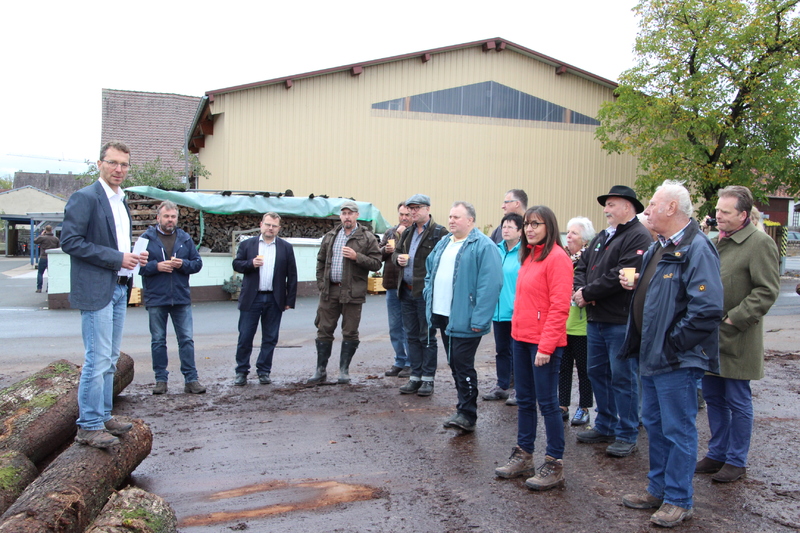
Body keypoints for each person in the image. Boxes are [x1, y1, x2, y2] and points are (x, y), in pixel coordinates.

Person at [619, 179, 723, 528]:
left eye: (652, 204)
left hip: (676, 360)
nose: (647, 209)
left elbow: (706, 309)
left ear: (672, 208)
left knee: (678, 430)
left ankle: (678, 499)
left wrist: (673, 343)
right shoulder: (659, 247)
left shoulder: (697, 248)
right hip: (652, 356)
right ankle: (658, 489)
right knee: (656, 426)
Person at [60, 141, 148, 449]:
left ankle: (102, 415)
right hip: (97, 288)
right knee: (96, 359)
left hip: (120, 286)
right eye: (113, 163)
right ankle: (88, 425)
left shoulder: (121, 201)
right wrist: (116, 258)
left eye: (124, 164)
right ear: (99, 164)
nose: (119, 169)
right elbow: (70, 241)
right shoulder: (85, 198)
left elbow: (117, 247)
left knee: (110, 359)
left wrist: (132, 258)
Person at [695, 186, 780, 483]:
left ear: (743, 215)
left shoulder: (759, 244)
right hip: (710, 337)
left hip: (737, 338)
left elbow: (767, 290)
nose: (718, 216)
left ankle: (736, 460)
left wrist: (734, 319)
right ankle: (717, 453)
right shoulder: (714, 241)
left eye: (725, 212)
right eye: (717, 210)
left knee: (737, 399)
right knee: (715, 398)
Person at [494, 206, 572, 490]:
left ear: (549, 226)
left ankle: (554, 462)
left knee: (548, 404)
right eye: (527, 224)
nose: (529, 229)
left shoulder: (558, 259)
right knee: (525, 401)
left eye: (535, 224)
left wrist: (546, 346)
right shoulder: (529, 257)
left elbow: (559, 307)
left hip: (543, 344)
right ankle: (524, 454)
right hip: (521, 339)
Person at [573, 185, 653, 458]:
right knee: (598, 373)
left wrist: (588, 293)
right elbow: (582, 265)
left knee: (623, 378)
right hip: (596, 319)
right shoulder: (601, 237)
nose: (606, 210)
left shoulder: (638, 236)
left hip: (620, 320)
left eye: (612, 204)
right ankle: (605, 424)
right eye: (606, 205)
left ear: (628, 207)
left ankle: (627, 433)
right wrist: (582, 290)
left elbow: (624, 274)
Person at [425, 201, 502, 432]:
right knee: (454, 362)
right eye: (450, 216)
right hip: (444, 315)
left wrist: (479, 319)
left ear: (470, 220)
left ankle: (468, 414)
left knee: (462, 363)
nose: (451, 221)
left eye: (457, 217)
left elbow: (491, 285)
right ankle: (462, 409)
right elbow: (430, 272)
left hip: (466, 318)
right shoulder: (443, 243)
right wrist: (428, 294)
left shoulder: (483, 246)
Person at [308, 202, 381, 384]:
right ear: (340, 216)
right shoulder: (331, 236)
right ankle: (320, 370)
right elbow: (321, 261)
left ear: (357, 215)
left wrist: (357, 257)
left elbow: (376, 263)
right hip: (330, 290)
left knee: (350, 332)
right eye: (344, 213)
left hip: (353, 292)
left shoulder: (366, 237)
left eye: (350, 213)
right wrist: (321, 284)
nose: (347, 216)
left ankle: (344, 370)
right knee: (324, 330)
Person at [139, 201, 206, 395]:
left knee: (186, 339)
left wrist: (183, 264)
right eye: (166, 216)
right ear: (158, 218)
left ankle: (191, 380)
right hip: (156, 297)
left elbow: (197, 263)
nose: (170, 220)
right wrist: (156, 266)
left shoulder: (184, 238)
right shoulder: (146, 238)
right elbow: (137, 266)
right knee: (158, 340)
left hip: (180, 297)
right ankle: (161, 380)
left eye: (173, 216)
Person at [233, 212, 298, 386]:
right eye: (268, 224)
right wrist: (250, 264)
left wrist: (289, 300)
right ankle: (241, 371)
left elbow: (292, 275)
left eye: (274, 226)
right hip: (251, 298)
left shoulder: (285, 247)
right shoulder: (248, 245)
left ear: (279, 228)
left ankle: (264, 371)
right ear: (261, 224)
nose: (270, 228)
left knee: (270, 337)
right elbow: (236, 264)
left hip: (274, 299)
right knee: (245, 336)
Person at [393, 194, 447, 396]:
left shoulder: (439, 233)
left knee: (427, 337)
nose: (413, 212)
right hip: (406, 292)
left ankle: (428, 379)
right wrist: (398, 258)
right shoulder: (407, 233)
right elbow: (395, 254)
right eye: (411, 208)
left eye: (417, 208)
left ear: (427, 209)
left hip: (425, 295)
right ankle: (415, 377)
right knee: (411, 336)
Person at [559, 217, 596, 426]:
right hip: (564, 324)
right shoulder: (564, 259)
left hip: (582, 326)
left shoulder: (590, 262)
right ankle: (562, 405)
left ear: (585, 240)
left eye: (574, 233)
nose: (569, 236)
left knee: (584, 370)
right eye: (568, 232)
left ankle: (584, 408)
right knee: (563, 368)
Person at [483, 212, 523, 402]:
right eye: (503, 227)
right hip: (499, 311)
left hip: (517, 311)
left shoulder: (525, 253)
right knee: (502, 350)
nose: (505, 230)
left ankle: (519, 388)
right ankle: (502, 385)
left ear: (520, 231)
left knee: (517, 351)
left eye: (510, 227)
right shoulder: (496, 249)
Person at [380, 202, 413, 377]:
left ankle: (411, 363)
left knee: (409, 326)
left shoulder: (416, 233)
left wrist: (402, 238)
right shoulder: (390, 232)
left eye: (407, 214)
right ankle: (400, 360)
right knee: (394, 326)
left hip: (408, 285)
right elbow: (378, 254)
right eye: (401, 214)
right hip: (392, 285)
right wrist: (385, 249)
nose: (404, 218)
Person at [34, 225, 60, 293]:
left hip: (43, 257)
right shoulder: (56, 239)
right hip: (52, 258)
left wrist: (41, 234)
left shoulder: (42, 238)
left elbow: (35, 241)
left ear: (45, 230)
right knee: (51, 274)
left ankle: (39, 288)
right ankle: (48, 288)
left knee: (40, 273)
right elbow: (58, 248)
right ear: (51, 230)